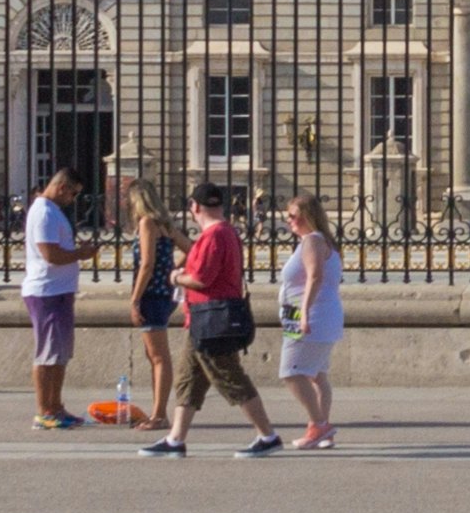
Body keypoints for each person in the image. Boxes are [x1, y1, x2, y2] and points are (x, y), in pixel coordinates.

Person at [149, 191, 284, 455]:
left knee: (229, 376)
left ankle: (268, 436)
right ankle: (175, 440)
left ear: (194, 206)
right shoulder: (227, 232)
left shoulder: (214, 235)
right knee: (189, 378)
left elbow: (202, 279)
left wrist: (176, 278)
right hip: (203, 317)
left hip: (213, 319)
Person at [21, 165, 90, 431]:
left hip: (59, 291)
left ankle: (56, 406)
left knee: (59, 353)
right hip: (46, 291)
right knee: (47, 354)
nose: (73, 199)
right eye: (72, 193)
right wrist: (80, 254)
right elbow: (50, 255)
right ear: (62, 187)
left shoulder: (53, 211)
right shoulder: (43, 213)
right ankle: (43, 411)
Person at [109, 174, 178, 430]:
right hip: (164, 294)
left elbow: (146, 264)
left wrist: (134, 300)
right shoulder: (164, 224)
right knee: (155, 356)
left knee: (159, 357)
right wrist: (172, 271)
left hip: (151, 296)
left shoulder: (147, 223)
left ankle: (159, 415)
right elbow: (192, 248)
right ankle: (157, 411)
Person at [276, 197, 344, 448]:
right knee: (318, 375)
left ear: (309, 216)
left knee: (291, 373)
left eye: (294, 216)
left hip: (310, 316)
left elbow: (314, 277)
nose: (289, 221)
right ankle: (321, 427)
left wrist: (304, 312)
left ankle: (319, 425)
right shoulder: (322, 241)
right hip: (321, 316)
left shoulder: (313, 241)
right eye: (288, 216)